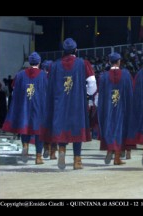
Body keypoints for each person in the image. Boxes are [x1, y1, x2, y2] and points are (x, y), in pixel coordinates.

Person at [42, 38, 97, 170]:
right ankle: (77, 160)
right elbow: (92, 82)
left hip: (60, 102)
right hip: (77, 102)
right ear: (76, 50)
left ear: (63, 51)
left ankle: (61, 151)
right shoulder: (83, 63)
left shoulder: (54, 65)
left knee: (62, 127)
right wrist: (88, 94)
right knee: (77, 128)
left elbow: (50, 85)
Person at [2, 52, 47, 164]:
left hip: (24, 106)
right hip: (38, 106)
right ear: (39, 62)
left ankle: (25, 150)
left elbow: (14, 87)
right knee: (38, 131)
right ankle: (38, 157)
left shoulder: (20, 74)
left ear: (29, 62)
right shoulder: (43, 75)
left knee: (24, 129)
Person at [97, 52, 134, 165]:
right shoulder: (126, 74)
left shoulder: (103, 76)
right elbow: (129, 93)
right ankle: (117, 157)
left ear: (109, 62)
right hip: (122, 107)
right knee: (120, 129)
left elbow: (100, 95)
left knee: (109, 127)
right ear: (119, 61)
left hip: (108, 107)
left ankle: (109, 150)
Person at [40, 60, 58, 160]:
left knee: (45, 129)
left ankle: (46, 147)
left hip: (43, 108)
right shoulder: (56, 78)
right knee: (54, 130)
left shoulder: (40, 78)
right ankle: (53, 153)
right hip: (54, 107)